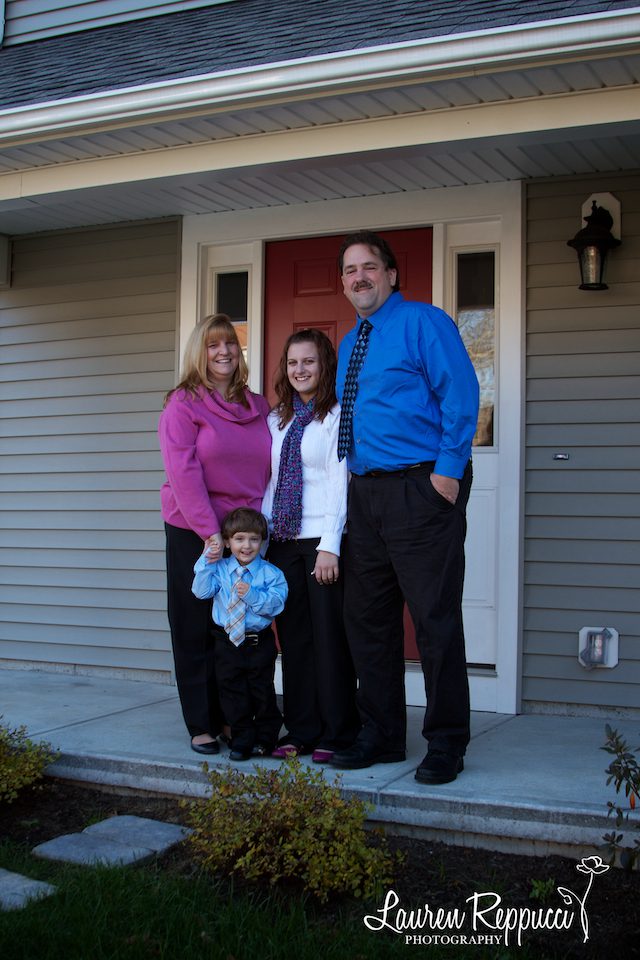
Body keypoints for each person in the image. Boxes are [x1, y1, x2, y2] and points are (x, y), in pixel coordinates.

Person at [330, 230, 479, 785]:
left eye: (369, 266)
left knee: (434, 620)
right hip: (365, 494)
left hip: (421, 488)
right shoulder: (351, 342)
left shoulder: (423, 322)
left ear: (391, 275)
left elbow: (461, 394)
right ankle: (383, 734)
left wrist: (447, 473)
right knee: (368, 620)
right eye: (350, 270)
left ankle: (446, 742)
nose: (359, 277)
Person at [158, 314, 271, 755]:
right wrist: (211, 535)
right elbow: (182, 473)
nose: (223, 351)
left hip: (245, 536)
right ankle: (201, 722)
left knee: (234, 629)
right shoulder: (182, 405)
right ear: (199, 353)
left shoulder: (257, 406)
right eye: (212, 345)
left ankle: (232, 715)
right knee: (195, 628)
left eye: (229, 343)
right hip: (194, 529)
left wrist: (254, 532)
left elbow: (270, 469)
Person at [262, 329, 359, 763]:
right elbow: (272, 483)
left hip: (322, 542)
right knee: (295, 640)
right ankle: (301, 728)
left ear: (325, 366)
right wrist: (263, 538)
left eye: (309, 361)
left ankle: (337, 731)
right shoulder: (277, 420)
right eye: (292, 362)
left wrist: (330, 545)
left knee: (329, 639)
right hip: (284, 541)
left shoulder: (336, 416)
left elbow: (341, 482)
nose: (299, 370)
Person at [192, 507, 286, 761]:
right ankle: (241, 739)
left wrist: (253, 595)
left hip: (258, 642)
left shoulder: (271, 573)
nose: (247, 546)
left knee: (261, 691)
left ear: (262, 541)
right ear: (227, 541)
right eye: (239, 539)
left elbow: (276, 604)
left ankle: (265, 739)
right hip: (227, 643)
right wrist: (205, 561)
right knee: (232, 692)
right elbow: (201, 592)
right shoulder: (219, 569)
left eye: (254, 539)